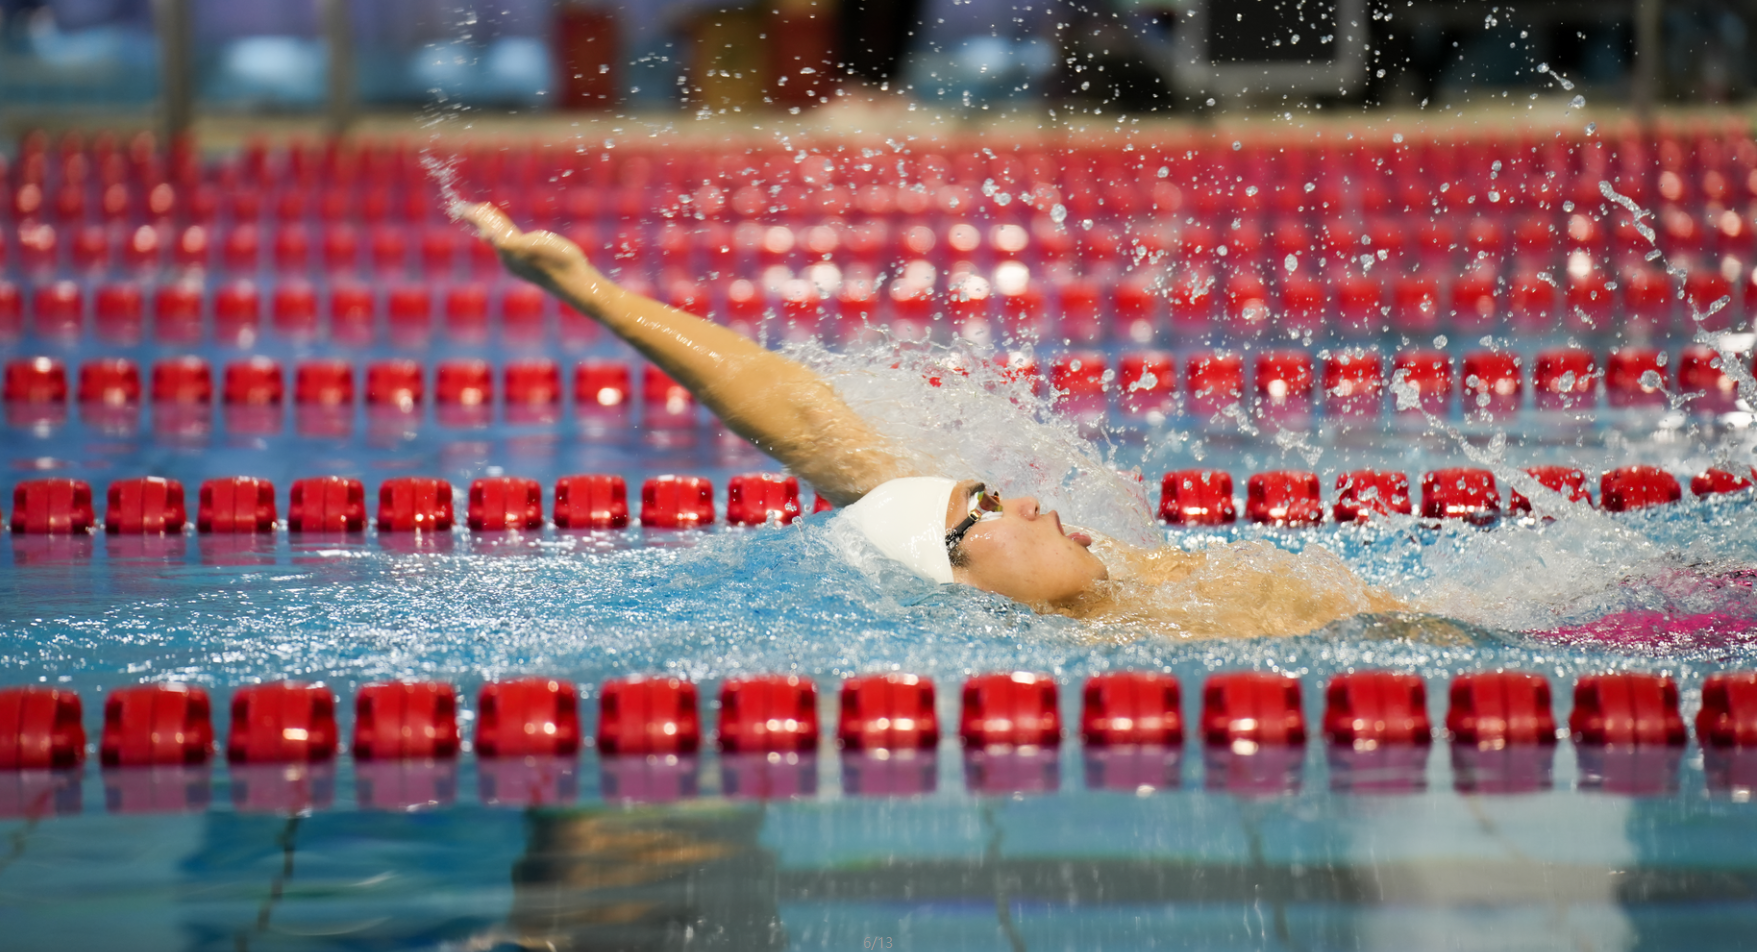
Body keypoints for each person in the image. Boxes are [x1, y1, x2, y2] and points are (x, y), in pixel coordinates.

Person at [462, 203, 1400, 635]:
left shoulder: (1149, 589)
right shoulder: (1096, 648)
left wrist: (591, 291)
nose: (1031, 503)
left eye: (993, 495)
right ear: (953, 577)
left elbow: (803, 414)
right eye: (984, 508)